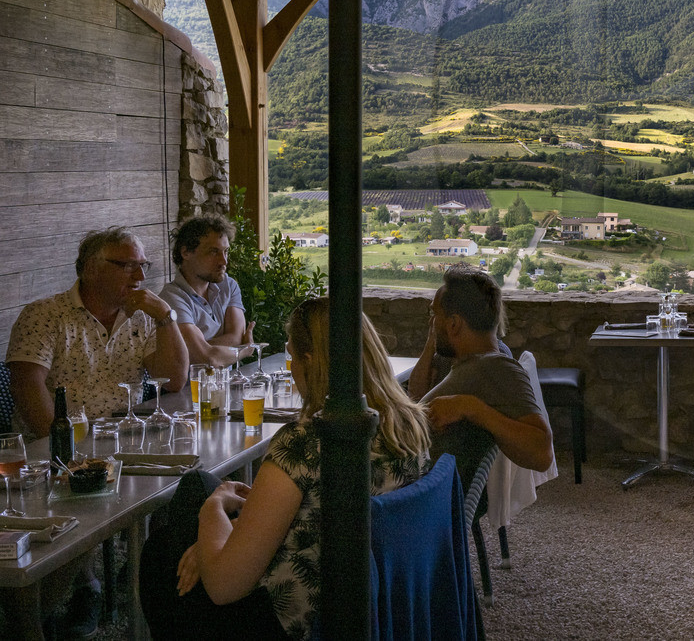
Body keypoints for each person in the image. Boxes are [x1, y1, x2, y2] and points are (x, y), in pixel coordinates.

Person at [139, 297, 432, 641]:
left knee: (163, 549)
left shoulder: (305, 443)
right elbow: (326, 503)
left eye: (292, 356)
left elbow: (223, 588)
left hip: (291, 620)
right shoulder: (411, 425)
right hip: (366, 591)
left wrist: (214, 508)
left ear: (310, 361)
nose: (291, 367)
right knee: (198, 482)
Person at [7, 226, 189, 436]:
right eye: (129, 266)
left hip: (126, 440)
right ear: (92, 269)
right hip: (59, 451)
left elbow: (174, 381)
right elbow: (26, 389)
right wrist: (69, 452)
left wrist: (165, 316)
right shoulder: (44, 315)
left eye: (143, 265)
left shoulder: (141, 316)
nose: (140, 276)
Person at [407, 265, 553, 481]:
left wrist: (472, 408)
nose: (431, 321)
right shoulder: (460, 359)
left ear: (454, 324)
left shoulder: (497, 367)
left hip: (418, 498)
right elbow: (415, 394)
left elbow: (542, 454)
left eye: (434, 313)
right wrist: (433, 339)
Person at [161, 215, 256, 367]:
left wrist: (203, 347)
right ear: (185, 253)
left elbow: (237, 338)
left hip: (226, 384)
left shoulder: (228, 285)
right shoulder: (171, 298)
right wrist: (246, 350)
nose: (224, 261)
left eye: (225, 251)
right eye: (213, 252)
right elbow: (206, 359)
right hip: (191, 388)